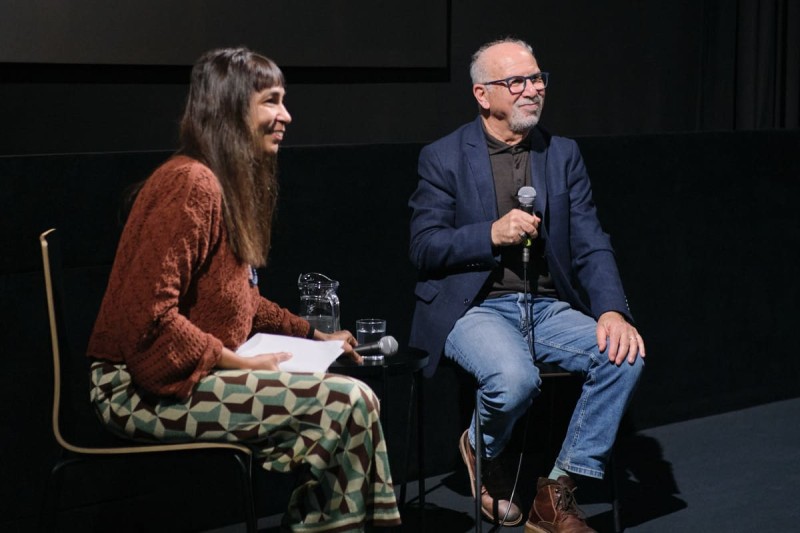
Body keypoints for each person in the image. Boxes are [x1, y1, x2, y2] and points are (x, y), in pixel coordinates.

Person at [87, 47, 400, 532]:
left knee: (354, 399)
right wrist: (238, 362)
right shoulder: (191, 183)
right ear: (233, 108)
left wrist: (312, 337)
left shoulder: (218, 185)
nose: (286, 116)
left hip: (189, 375)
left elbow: (242, 300)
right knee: (346, 404)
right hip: (133, 390)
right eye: (272, 101)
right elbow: (148, 318)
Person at [408, 38, 644, 532]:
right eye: (516, 81)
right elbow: (424, 247)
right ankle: (480, 445)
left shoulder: (562, 154)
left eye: (537, 79)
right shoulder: (444, 157)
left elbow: (591, 242)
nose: (532, 90)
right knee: (515, 380)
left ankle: (556, 489)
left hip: (545, 307)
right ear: (482, 94)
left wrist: (612, 311)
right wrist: (490, 234)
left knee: (624, 355)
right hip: (472, 307)